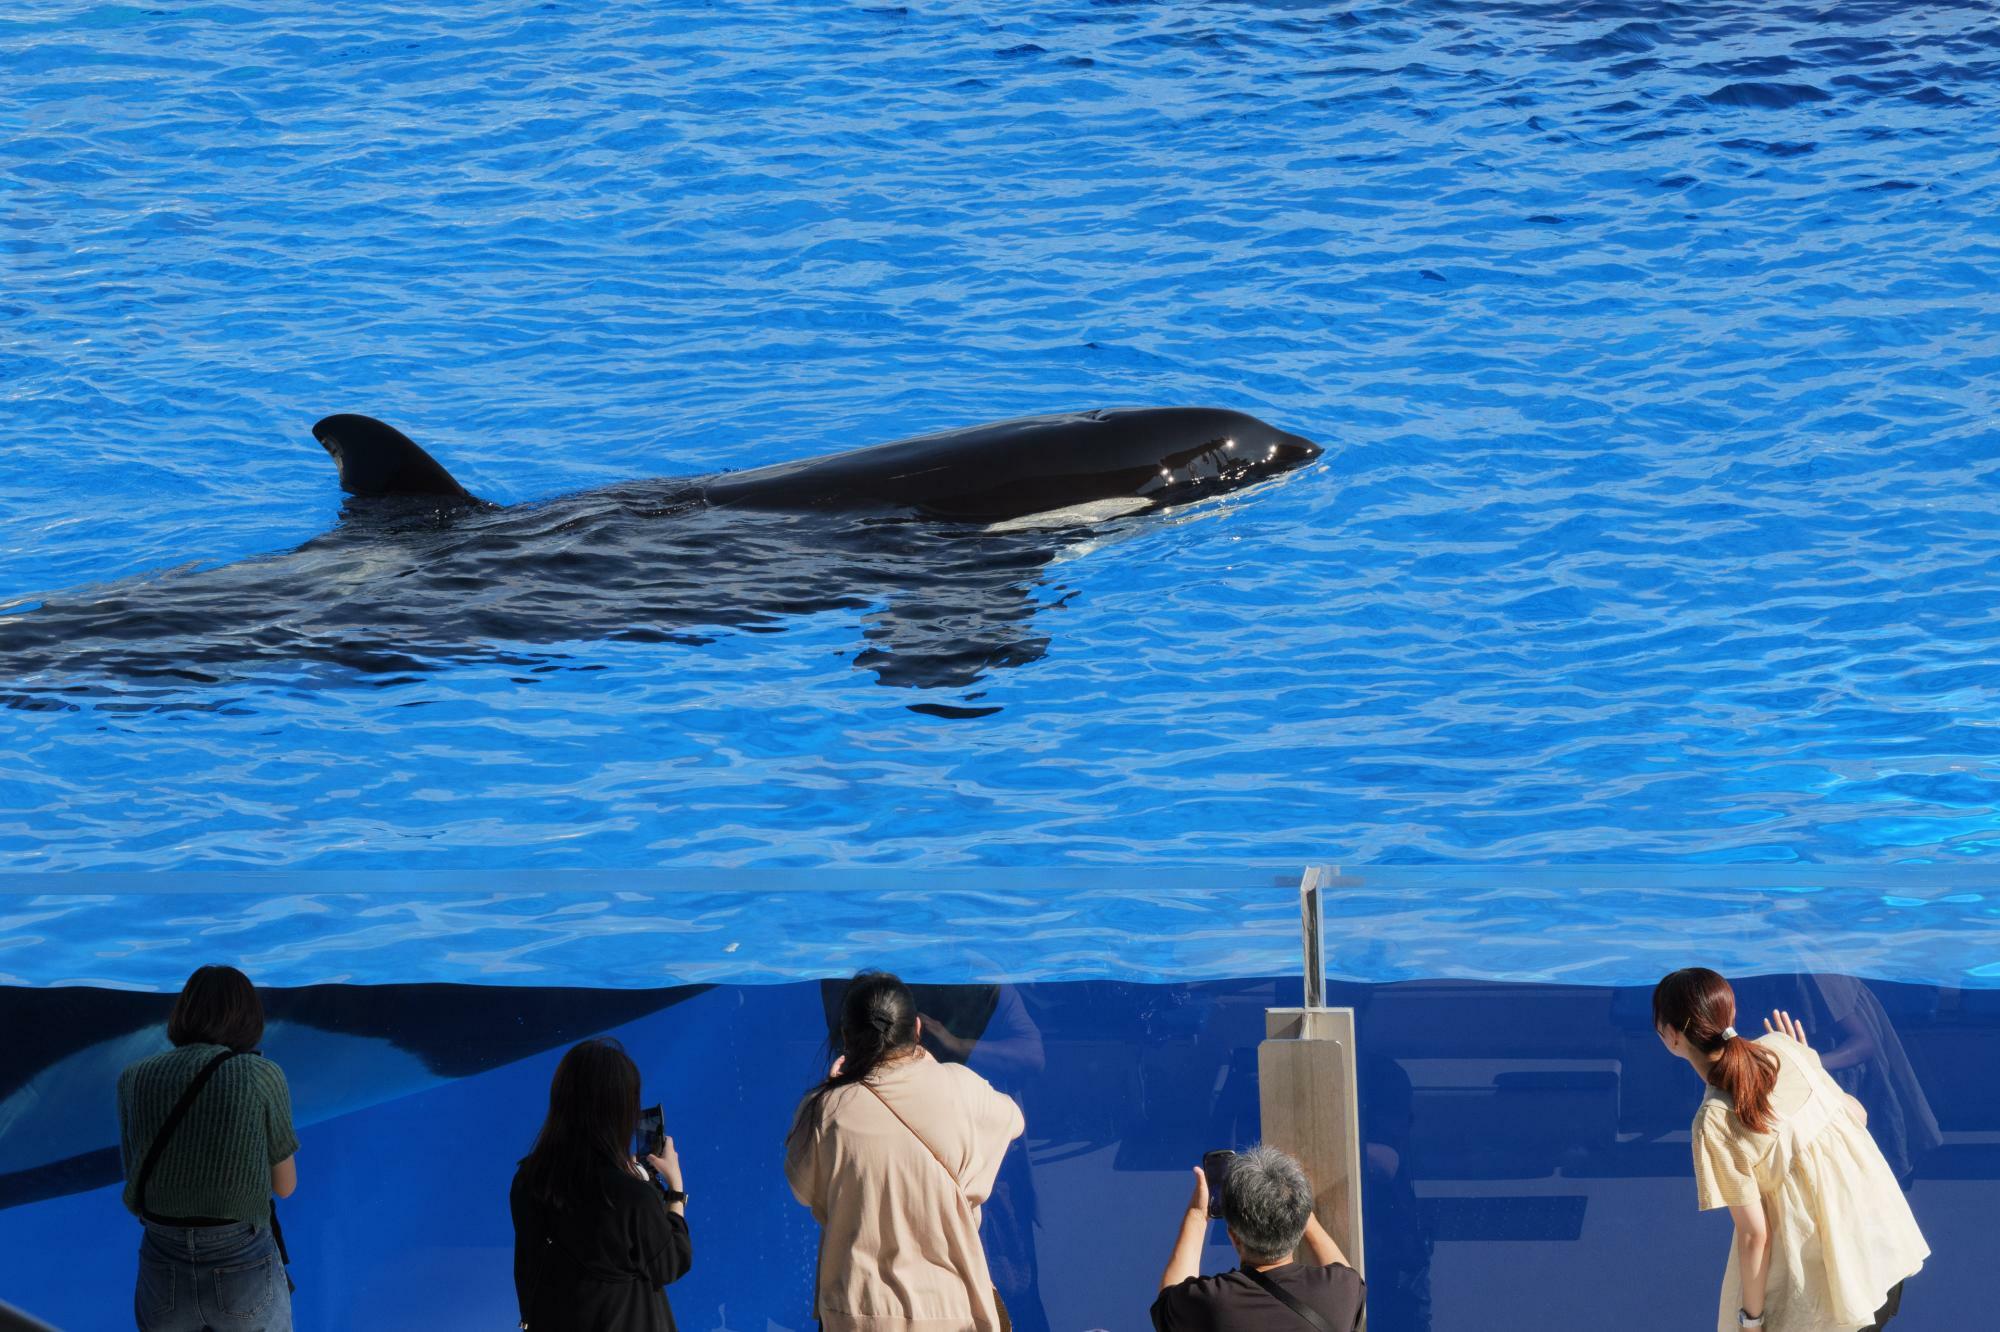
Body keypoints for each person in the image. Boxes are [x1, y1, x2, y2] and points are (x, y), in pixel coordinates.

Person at [1653, 968, 1929, 1332]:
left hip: (1830, 1299)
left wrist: (1750, 1322)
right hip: (1880, 1256)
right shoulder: (1783, 1047)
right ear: (1730, 1014)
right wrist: (1808, 1061)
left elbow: (1755, 1236)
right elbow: (1857, 1116)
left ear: (1672, 1037)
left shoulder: (1714, 1120)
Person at [785, 970, 1025, 1331]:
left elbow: (803, 1188)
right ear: (916, 1028)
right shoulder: (961, 1089)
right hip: (949, 1311)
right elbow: (1013, 1120)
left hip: (856, 1314)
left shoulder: (824, 1109)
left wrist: (832, 1091)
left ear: (847, 1037)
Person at [117, 965, 299, 1332]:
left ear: (182, 1013)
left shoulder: (133, 1077)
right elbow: (285, 1186)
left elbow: (134, 1180)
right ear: (250, 1018)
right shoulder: (260, 1074)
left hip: (161, 1261)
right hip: (242, 1261)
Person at [510, 1038, 692, 1332]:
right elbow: (670, 1262)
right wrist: (674, 1190)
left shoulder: (527, 1179)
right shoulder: (631, 1197)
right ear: (621, 1111)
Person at [1152, 1144, 1364, 1332]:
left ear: (1234, 1238)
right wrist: (1293, 1203)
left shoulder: (1212, 1304)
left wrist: (1197, 1216)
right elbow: (1345, 1272)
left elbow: (1167, 1302)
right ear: (1300, 1226)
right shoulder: (1343, 1291)